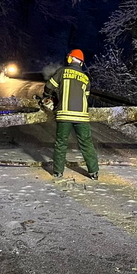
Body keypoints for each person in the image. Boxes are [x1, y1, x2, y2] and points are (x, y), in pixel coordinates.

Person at [44, 49, 99, 180]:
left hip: (64, 114)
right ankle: (94, 172)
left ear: (70, 59)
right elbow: (86, 96)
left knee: (61, 143)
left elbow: (48, 87)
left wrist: (48, 96)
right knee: (86, 143)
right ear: (81, 63)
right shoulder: (86, 78)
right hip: (82, 116)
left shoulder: (62, 72)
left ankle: (58, 172)